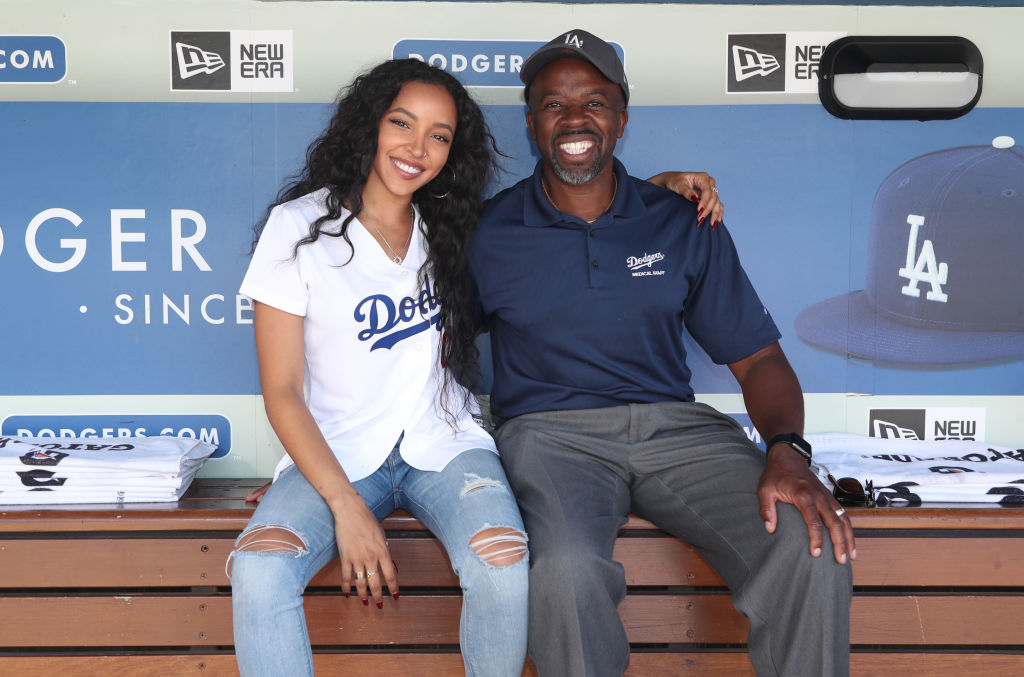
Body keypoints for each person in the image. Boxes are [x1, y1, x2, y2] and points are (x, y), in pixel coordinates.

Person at [230, 57, 723, 677]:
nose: (417, 148)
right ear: (368, 126)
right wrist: (337, 501)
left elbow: (579, 222)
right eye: (402, 124)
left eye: (439, 136)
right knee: (260, 564)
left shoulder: (454, 225)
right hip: (339, 451)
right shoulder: (298, 227)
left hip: (446, 443)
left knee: (502, 562)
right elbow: (281, 392)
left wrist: (660, 186)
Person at [466, 30, 855, 677]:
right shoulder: (487, 232)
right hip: (551, 436)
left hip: (675, 430)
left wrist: (787, 448)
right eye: (555, 104)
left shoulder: (679, 218)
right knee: (562, 573)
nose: (575, 118)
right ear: (532, 122)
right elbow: (423, 349)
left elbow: (758, 360)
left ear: (621, 117)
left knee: (805, 542)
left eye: (594, 101)